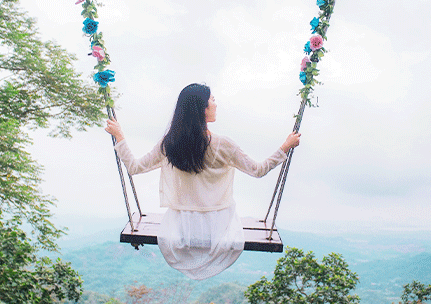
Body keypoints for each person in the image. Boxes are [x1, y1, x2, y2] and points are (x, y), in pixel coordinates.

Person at [105, 83, 301, 280]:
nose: (216, 104)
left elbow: (135, 167)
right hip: (220, 224)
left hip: (181, 224)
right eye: (212, 100)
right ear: (202, 108)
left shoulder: (170, 143)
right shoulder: (224, 144)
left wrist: (119, 136)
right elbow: (258, 170)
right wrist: (285, 146)